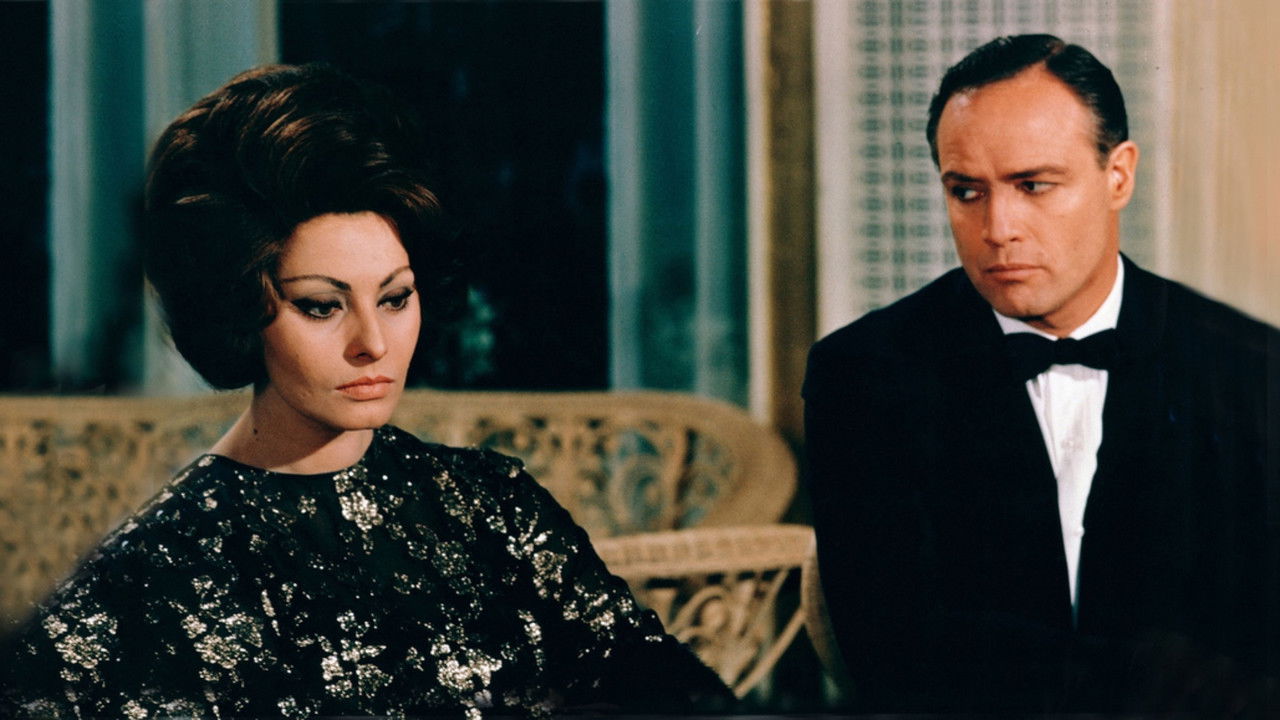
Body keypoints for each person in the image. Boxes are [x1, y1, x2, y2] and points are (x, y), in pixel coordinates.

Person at [0, 64, 729, 718]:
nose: (372, 343)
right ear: (239, 312)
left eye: (395, 297)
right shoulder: (155, 574)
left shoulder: (493, 506)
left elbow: (678, 696)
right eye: (322, 306)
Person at [804, 34, 1278, 714]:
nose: (998, 228)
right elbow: (895, 652)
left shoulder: (1251, 370)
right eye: (967, 191)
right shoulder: (865, 374)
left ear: (1119, 176)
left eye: (1033, 185)